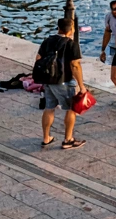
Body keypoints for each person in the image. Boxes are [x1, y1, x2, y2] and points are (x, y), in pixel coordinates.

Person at [36, 16, 87, 149]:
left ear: (58, 28)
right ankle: (68, 140)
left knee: (49, 108)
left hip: (48, 80)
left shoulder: (47, 41)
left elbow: (38, 58)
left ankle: (46, 138)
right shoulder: (71, 44)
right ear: (71, 30)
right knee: (71, 109)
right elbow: (75, 65)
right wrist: (81, 86)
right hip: (64, 81)